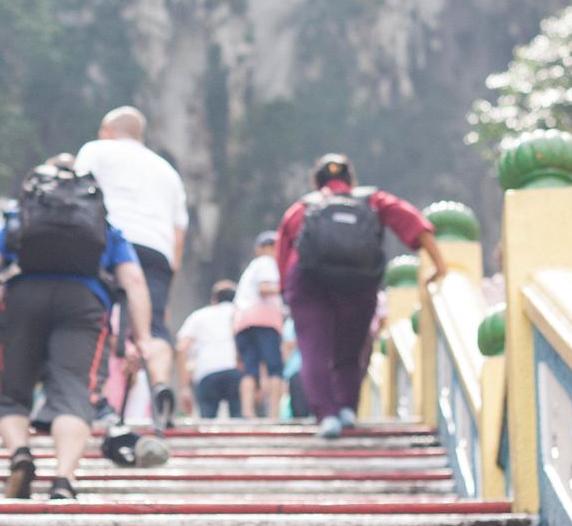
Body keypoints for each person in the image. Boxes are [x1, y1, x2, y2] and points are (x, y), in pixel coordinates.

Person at [0, 158, 156, 502]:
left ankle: (20, 453)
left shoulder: (21, 217)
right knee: (74, 395)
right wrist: (143, 337)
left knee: (11, 396)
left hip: (23, 299)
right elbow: (134, 280)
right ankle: (64, 478)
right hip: (83, 302)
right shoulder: (104, 228)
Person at [275, 153, 448, 440]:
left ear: (315, 182)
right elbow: (415, 224)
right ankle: (347, 409)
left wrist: (288, 293)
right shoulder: (372, 200)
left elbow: (284, 255)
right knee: (352, 350)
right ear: (351, 180)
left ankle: (327, 416)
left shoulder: (303, 207)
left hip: (309, 284)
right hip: (358, 284)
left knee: (313, 350)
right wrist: (439, 265)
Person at [74, 107, 188, 416]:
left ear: (108, 130)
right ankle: (161, 384)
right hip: (156, 250)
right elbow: (179, 233)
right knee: (153, 329)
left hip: (109, 242)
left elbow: (78, 194)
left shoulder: (97, 151)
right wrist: (168, 279)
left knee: (95, 315)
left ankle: (96, 393)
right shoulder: (168, 171)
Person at [233, 230, 286, 418]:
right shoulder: (267, 264)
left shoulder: (250, 269)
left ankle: (248, 414)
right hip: (265, 320)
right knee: (274, 368)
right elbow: (265, 288)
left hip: (243, 321)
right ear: (261, 249)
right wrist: (286, 287)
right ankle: (273, 415)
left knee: (249, 369)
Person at [177, 281, 241, 420]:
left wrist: (184, 388)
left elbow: (181, 347)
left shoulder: (199, 316)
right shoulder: (240, 314)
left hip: (207, 371)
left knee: (207, 423)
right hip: (236, 370)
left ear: (214, 299)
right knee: (239, 421)